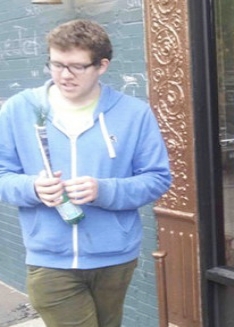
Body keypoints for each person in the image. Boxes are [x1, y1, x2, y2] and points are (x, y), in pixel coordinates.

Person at [0, 19, 171, 327]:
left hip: (115, 257)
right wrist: (32, 188)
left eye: (77, 66)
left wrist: (103, 190)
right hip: (49, 258)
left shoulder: (134, 113)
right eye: (56, 64)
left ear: (102, 65)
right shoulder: (18, 109)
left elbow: (157, 178)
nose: (65, 75)